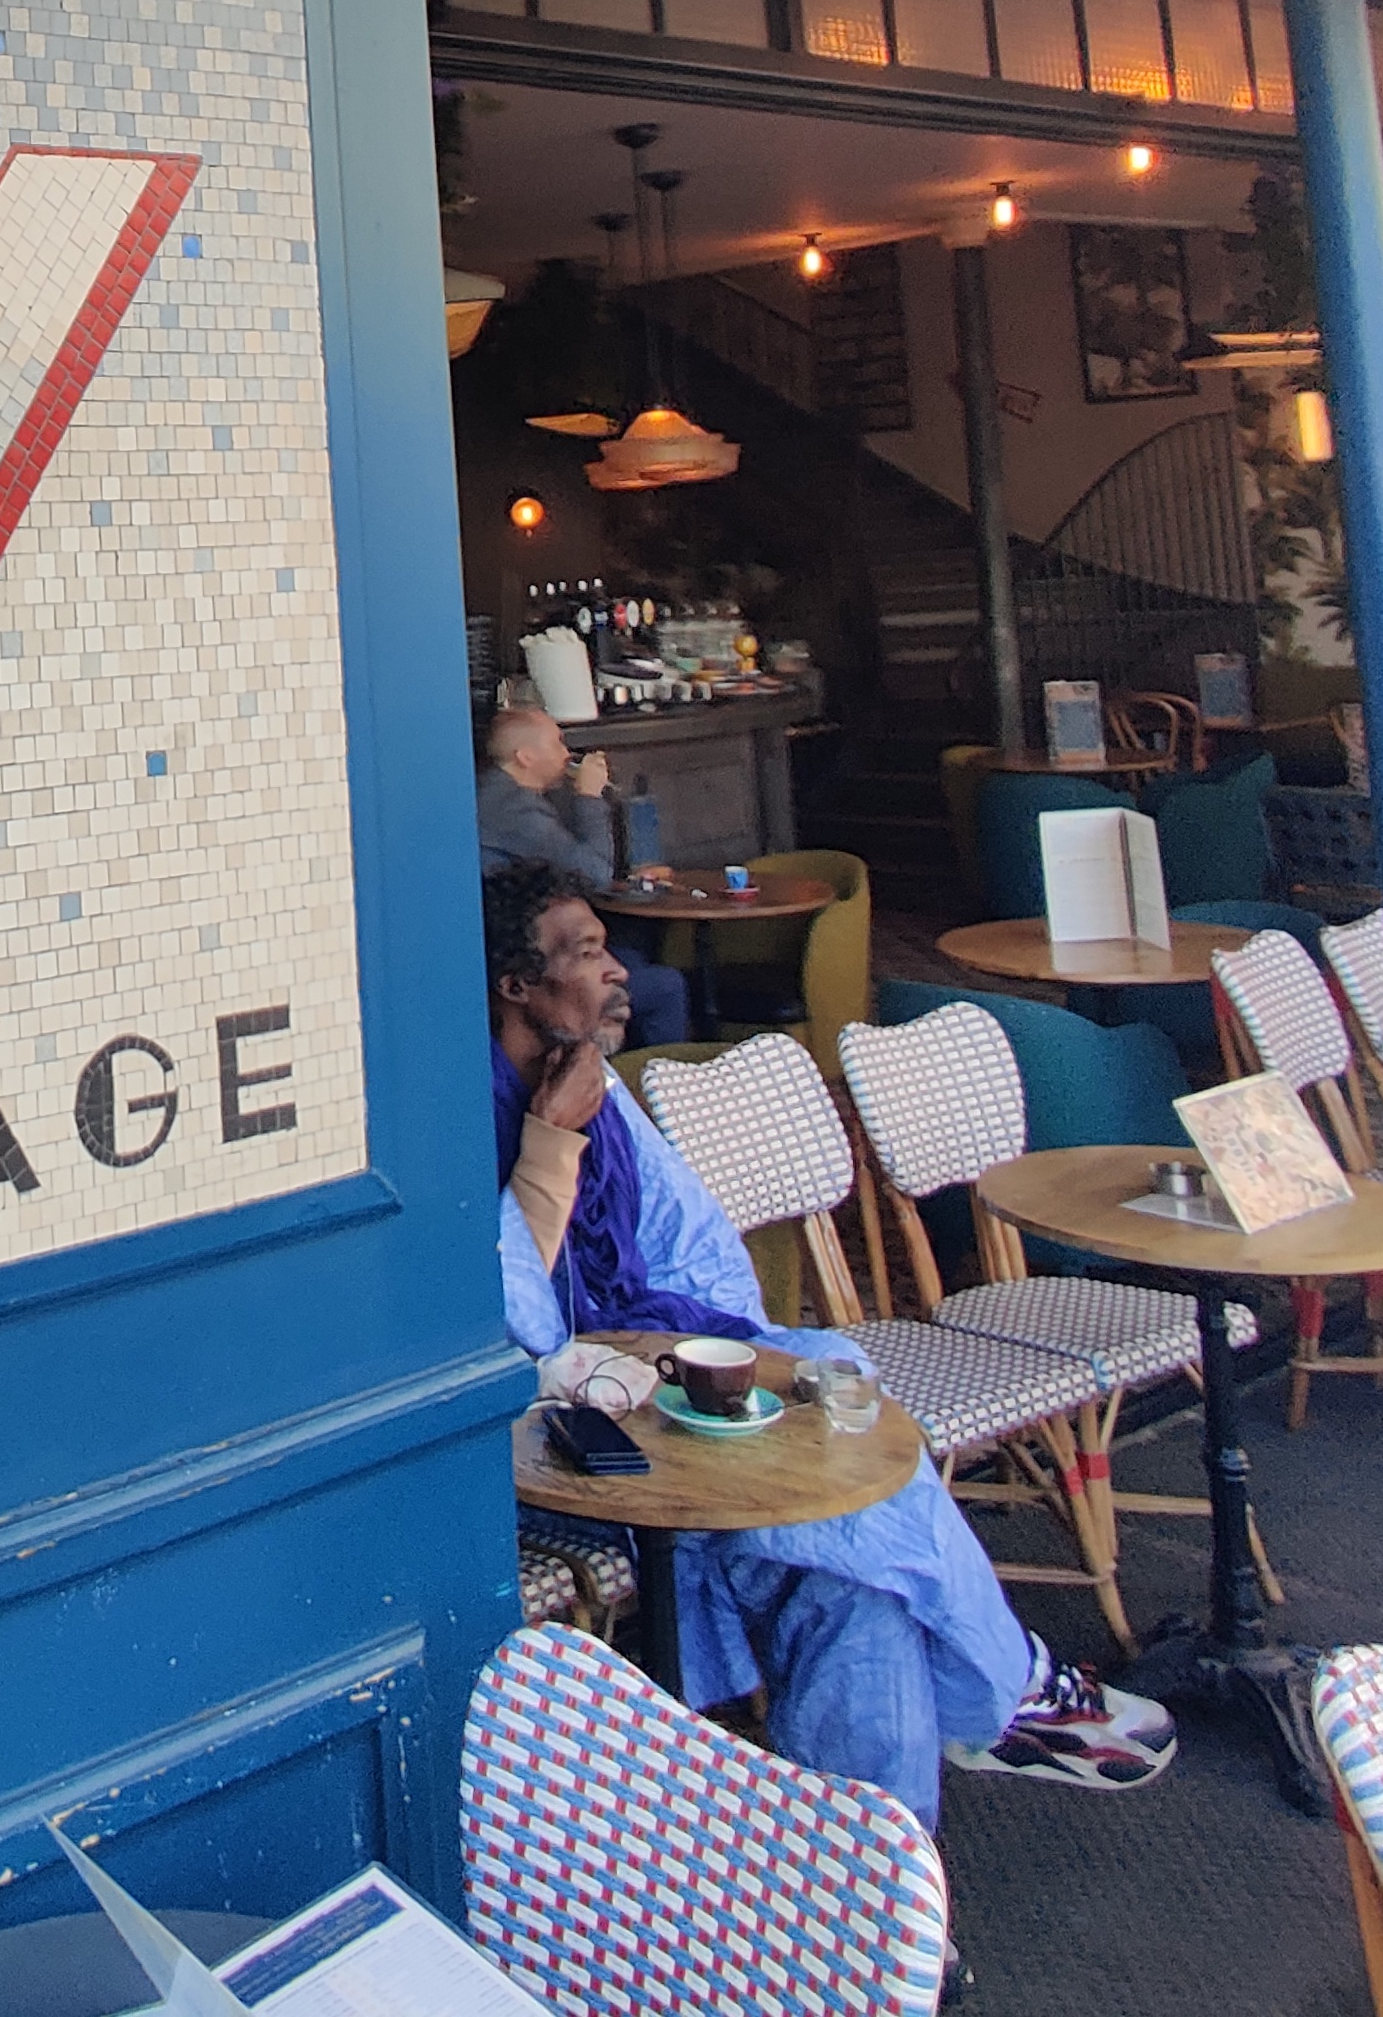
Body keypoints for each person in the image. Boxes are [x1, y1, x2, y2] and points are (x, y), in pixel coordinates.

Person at [487, 863, 1171, 1812]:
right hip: (554, 1441)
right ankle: (1009, 1692)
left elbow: (697, 1255)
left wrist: (731, 1354)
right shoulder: (474, 1114)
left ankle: (873, 1867)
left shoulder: (599, 1092)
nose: (618, 974)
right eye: (590, 953)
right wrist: (552, 1142)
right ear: (518, 986)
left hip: (657, 1391)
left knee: (851, 1588)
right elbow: (509, 1313)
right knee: (844, 1510)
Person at [478, 704, 691, 1049]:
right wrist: (589, 796)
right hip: (519, 964)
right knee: (667, 985)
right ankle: (649, 1077)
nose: (567, 754)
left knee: (634, 955)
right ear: (526, 756)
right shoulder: (513, 808)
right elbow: (595, 875)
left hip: (518, 945)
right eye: (557, 743)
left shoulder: (499, 794)